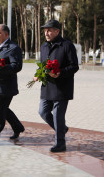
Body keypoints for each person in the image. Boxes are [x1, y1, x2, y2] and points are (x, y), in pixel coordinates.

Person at [34, 19, 79, 152]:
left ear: (57, 31)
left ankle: (60, 143)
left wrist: (60, 73)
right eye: (45, 30)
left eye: (49, 30)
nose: (46, 33)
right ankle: (62, 129)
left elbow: (74, 66)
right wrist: (38, 74)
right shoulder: (43, 46)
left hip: (62, 87)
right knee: (43, 111)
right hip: (47, 86)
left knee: (58, 115)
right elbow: (43, 65)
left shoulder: (66, 45)